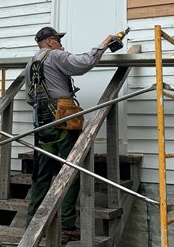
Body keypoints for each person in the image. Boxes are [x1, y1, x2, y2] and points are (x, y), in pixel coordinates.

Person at [25, 26, 114, 242]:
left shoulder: (30, 64)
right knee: (71, 168)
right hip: (61, 120)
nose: (61, 44)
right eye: (57, 40)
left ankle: (32, 224)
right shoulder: (55, 56)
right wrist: (103, 45)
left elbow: (29, 97)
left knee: (42, 173)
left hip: (42, 122)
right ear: (49, 42)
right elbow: (82, 63)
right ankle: (66, 225)